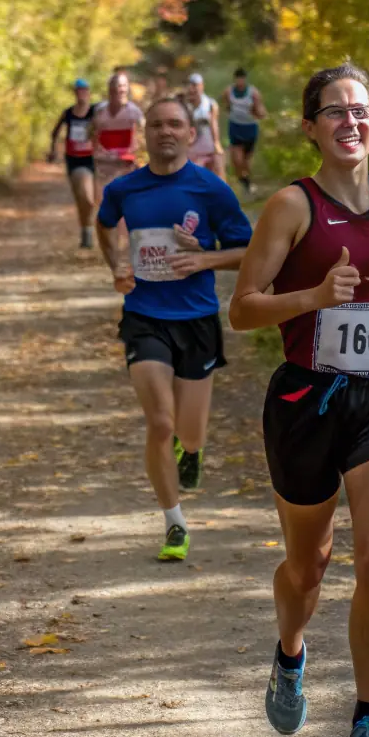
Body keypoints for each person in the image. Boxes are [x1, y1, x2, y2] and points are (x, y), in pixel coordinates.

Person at [229, 63, 369, 737]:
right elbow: (245, 306)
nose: (351, 122)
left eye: (362, 110)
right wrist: (315, 295)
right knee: (308, 563)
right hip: (303, 402)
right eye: (335, 111)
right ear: (311, 125)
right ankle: (290, 651)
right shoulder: (292, 205)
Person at [96, 96, 253, 562]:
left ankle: (194, 450)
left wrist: (204, 257)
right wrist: (116, 265)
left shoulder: (212, 190)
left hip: (197, 319)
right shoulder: (125, 190)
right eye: (157, 124)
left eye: (176, 124)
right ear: (145, 133)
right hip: (144, 316)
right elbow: (105, 226)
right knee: (160, 422)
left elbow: (248, 249)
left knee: (190, 431)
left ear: (191, 133)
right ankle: (175, 523)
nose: (166, 131)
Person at [48, 79, 97, 248]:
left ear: (89, 92)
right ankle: (87, 231)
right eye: (78, 91)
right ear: (75, 93)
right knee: (83, 197)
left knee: (92, 199)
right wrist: (53, 151)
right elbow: (55, 132)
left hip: (95, 159)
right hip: (75, 159)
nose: (81, 94)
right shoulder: (68, 113)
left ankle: (89, 230)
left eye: (84, 90)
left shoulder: (95, 111)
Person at [93, 71, 144, 191]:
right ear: (110, 89)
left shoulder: (134, 112)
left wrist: (138, 153)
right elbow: (91, 134)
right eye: (117, 85)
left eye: (123, 86)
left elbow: (145, 134)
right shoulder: (100, 111)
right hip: (103, 164)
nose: (120, 89)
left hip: (126, 164)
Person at [222, 67, 267, 195]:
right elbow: (226, 106)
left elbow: (261, 111)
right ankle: (243, 181)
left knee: (246, 161)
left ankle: (247, 180)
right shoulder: (228, 91)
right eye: (238, 78)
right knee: (237, 160)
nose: (240, 81)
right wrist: (231, 112)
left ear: (245, 79)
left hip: (250, 128)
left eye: (242, 78)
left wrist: (258, 112)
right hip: (235, 127)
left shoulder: (253, 93)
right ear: (235, 79)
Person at [184, 72, 225, 178]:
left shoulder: (210, 104)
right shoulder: (183, 104)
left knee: (217, 176)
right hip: (191, 150)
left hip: (209, 148)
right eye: (190, 85)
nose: (192, 89)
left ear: (201, 86)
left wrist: (216, 143)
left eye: (195, 85)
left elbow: (214, 123)